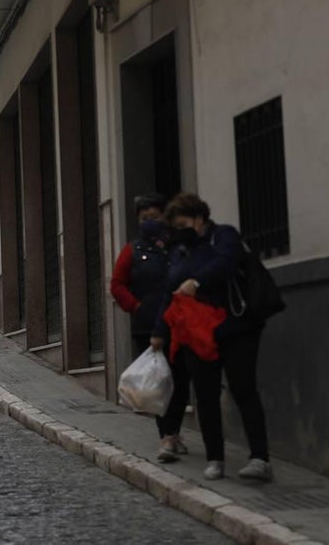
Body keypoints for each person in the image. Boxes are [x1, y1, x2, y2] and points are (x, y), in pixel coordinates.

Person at [153, 193, 272, 482]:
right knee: (205, 396)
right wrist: (159, 330)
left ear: (199, 217)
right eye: (176, 226)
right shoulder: (181, 251)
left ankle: (260, 458)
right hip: (197, 334)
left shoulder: (224, 236)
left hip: (235, 328)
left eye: (184, 223)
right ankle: (215, 458)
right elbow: (170, 292)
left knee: (243, 389)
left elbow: (226, 263)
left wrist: (197, 281)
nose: (181, 230)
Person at [108, 193, 190, 464]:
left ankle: (174, 432)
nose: (149, 222)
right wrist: (136, 306)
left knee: (180, 381)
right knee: (159, 382)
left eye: (154, 217)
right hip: (148, 325)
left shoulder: (176, 247)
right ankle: (165, 435)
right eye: (144, 219)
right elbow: (117, 284)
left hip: (180, 324)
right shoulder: (132, 250)